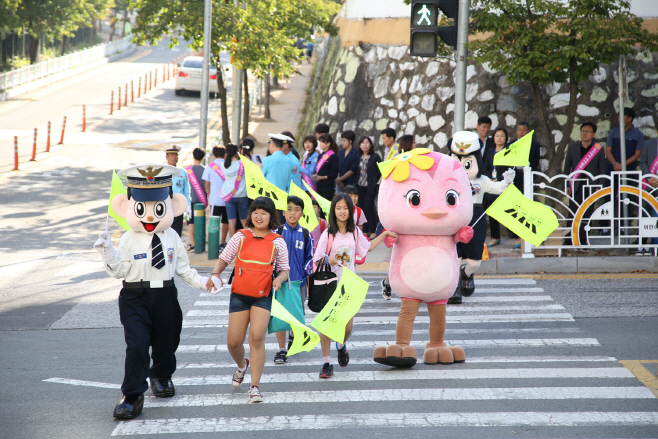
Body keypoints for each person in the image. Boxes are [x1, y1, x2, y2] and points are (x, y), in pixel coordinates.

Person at [94, 163, 216, 419]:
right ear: (128, 207)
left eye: (157, 209)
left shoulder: (172, 236)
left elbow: (184, 269)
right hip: (135, 296)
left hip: (165, 295)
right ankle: (132, 395)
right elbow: (118, 271)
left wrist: (205, 283)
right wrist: (107, 251)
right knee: (137, 344)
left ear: (172, 206)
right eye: (142, 209)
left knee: (167, 339)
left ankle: (161, 376)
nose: (150, 217)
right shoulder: (128, 238)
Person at [206, 197, 289, 403]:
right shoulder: (240, 236)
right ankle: (242, 365)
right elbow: (225, 258)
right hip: (240, 295)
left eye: (264, 212)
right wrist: (215, 273)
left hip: (263, 296)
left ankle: (255, 387)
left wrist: (279, 279)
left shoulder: (278, 241)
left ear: (271, 217)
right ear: (250, 215)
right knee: (233, 342)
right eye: (255, 212)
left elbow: (284, 269)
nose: (259, 216)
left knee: (256, 339)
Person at [312, 193, 395, 378]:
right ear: (333, 210)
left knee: (347, 327)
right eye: (339, 208)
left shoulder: (354, 232)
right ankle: (326, 363)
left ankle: (341, 345)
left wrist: (385, 234)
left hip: (348, 286)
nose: (342, 211)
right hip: (329, 285)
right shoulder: (328, 234)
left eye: (346, 208)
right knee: (325, 325)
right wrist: (329, 260)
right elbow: (316, 260)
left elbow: (368, 247)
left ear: (351, 211)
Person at [448, 131, 515, 305]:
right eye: (457, 161)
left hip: (475, 218)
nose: (462, 166)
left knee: (474, 261)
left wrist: (507, 181)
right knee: (454, 256)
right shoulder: (448, 181)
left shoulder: (482, 180)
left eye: (467, 162)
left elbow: (498, 188)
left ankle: (467, 274)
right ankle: (453, 288)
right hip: (454, 218)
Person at [273, 196, 315, 364]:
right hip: (279, 283)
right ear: (283, 212)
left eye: (297, 209)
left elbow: (310, 258)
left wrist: (304, 272)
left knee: (296, 314)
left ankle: (293, 335)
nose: (292, 213)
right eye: (289, 209)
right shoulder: (276, 233)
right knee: (279, 315)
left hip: (299, 283)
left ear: (302, 213)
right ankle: (282, 350)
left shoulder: (306, 234)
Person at [563, 122, 607, 246]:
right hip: (575, 185)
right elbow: (567, 168)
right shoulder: (572, 148)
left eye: (588, 131)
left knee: (587, 213)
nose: (584, 134)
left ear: (593, 134)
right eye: (582, 131)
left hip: (591, 186)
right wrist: (566, 184)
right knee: (572, 212)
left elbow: (602, 169)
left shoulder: (598, 149)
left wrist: (600, 185)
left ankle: (583, 239)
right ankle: (569, 239)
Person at [605, 108, 645, 238]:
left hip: (628, 170)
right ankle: (606, 226)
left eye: (622, 117)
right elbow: (608, 150)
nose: (619, 120)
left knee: (625, 198)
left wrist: (623, 165)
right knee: (608, 197)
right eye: (618, 117)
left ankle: (623, 226)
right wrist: (615, 164)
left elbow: (637, 154)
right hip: (611, 169)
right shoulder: (613, 132)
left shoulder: (638, 134)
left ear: (630, 119)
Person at [483, 128, 514, 247]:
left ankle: (517, 237)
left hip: (504, 185)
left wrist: (502, 179)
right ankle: (496, 237)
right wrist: (490, 178)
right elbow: (485, 167)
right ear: (493, 138)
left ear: (506, 138)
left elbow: (510, 168)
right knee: (493, 213)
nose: (499, 138)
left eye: (502, 136)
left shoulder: (508, 151)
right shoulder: (490, 151)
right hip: (492, 185)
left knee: (509, 212)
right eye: (497, 136)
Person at [203, 146, 230, 250]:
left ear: (213, 155)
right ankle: (222, 242)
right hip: (227, 198)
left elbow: (206, 184)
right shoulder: (228, 165)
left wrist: (209, 195)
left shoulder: (210, 166)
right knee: (226, 221)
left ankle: (213, 243)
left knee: (214, 221)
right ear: (224, 154)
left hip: (215, 199)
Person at [355, 135, 382, 239]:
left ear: (370, 145)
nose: (365, 145)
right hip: (360, 186)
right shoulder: (358, 157)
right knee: (362, 208)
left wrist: (375, 183)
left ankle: (373, 230)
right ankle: (365, 230)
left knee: (369, 207)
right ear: (359, 145)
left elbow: (379, 171)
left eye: (367, 143)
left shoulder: (375, 156)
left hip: (371, 186)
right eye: (363, 143)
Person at [221, 144, 249, 240]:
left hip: (229, 196)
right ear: (237, 152)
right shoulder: (243, 164)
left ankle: (232, 244)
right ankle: (248, 242)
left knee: (231, 221)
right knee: (244, 221)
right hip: (242, 195)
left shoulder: (223, 165)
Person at [185, 148, 207, 252]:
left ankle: (193, 244)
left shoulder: (188, 170)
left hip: (191, 200)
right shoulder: (205, 169)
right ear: (203, 158)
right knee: (201, 221)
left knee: (191, 222)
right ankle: (200, 242)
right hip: (202, 201)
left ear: (193, 156)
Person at [166, 145, 190, 237]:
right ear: (166, 157)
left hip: (178, 207)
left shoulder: (182, 172)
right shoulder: (162, 171)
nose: (174, 157)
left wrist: (188, 205)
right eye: (172, 155)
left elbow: (186, 191)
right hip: (166, 207)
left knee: (177, 234)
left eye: (176, 155)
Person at [312, 133, 339, 201]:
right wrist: (316, 175)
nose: (320, 144)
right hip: (319, 185)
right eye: (320, 141)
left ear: (328, 144)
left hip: (328, 186)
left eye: (323, 142)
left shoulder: (333, 156)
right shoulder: (320, 155)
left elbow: (334, 174)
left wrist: (322, 177)